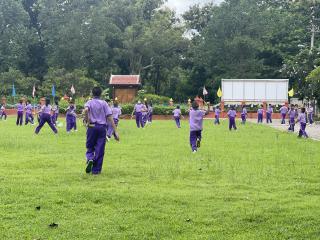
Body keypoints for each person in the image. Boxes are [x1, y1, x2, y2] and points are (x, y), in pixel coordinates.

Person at [83, 86, 119, 175]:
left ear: (92, 93)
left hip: (92, 127)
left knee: (90, 146)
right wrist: (115, 131)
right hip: (102, 128)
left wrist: (87, 120)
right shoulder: (104, 103)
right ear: (101, 94)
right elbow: (110, 116)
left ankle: (90, 158)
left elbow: (86, 110)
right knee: (100, 149)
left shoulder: (89, 102)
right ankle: (96, 170)